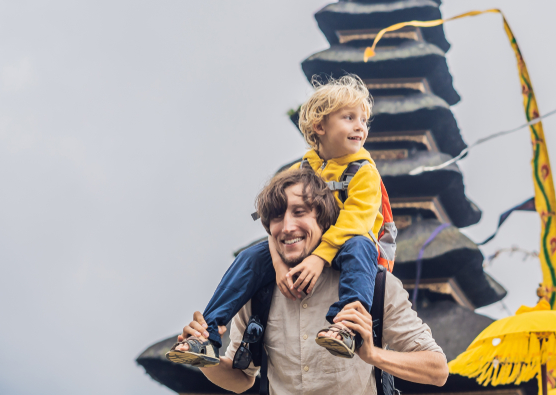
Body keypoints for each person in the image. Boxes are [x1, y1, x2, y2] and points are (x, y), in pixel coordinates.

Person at [176, 167, 448, 395]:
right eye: (277, 216)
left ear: (325, 219)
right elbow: (241, 378)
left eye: (300, 212)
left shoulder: (376, 288)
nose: (287, 226)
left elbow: (438, 370)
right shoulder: (258, 293)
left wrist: (373, 355)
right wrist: (204, 359)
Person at [167, 74, 391, 366]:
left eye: (363, 120)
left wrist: (319, 258)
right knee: (250, 257)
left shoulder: (364, 172)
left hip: (345, 247)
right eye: (349, 118)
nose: (360, 126)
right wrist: (278, 264)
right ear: (320, 126)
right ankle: (207, 333)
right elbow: (275, 222)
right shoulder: (298, 171)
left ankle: (347, 326)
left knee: (360, 246)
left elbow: (356, 221)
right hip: (303, 244)